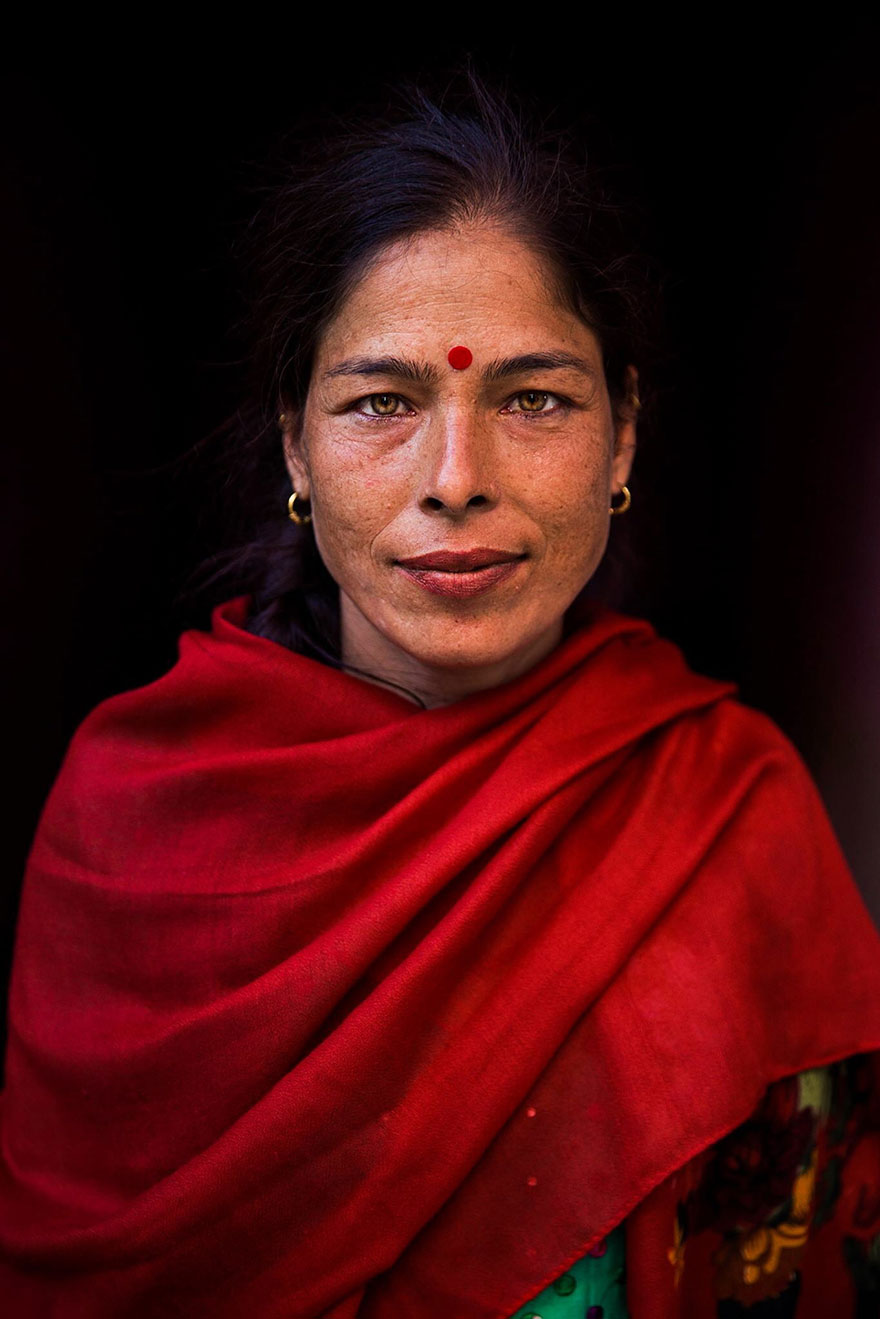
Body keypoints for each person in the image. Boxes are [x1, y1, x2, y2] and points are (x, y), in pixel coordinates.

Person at [1, 73, 879, 1319]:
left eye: (533, 398)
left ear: (622, 434)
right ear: (296, 447)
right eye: (381, 402)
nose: (455, 476)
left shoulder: (727, 814)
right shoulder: (132, 820)